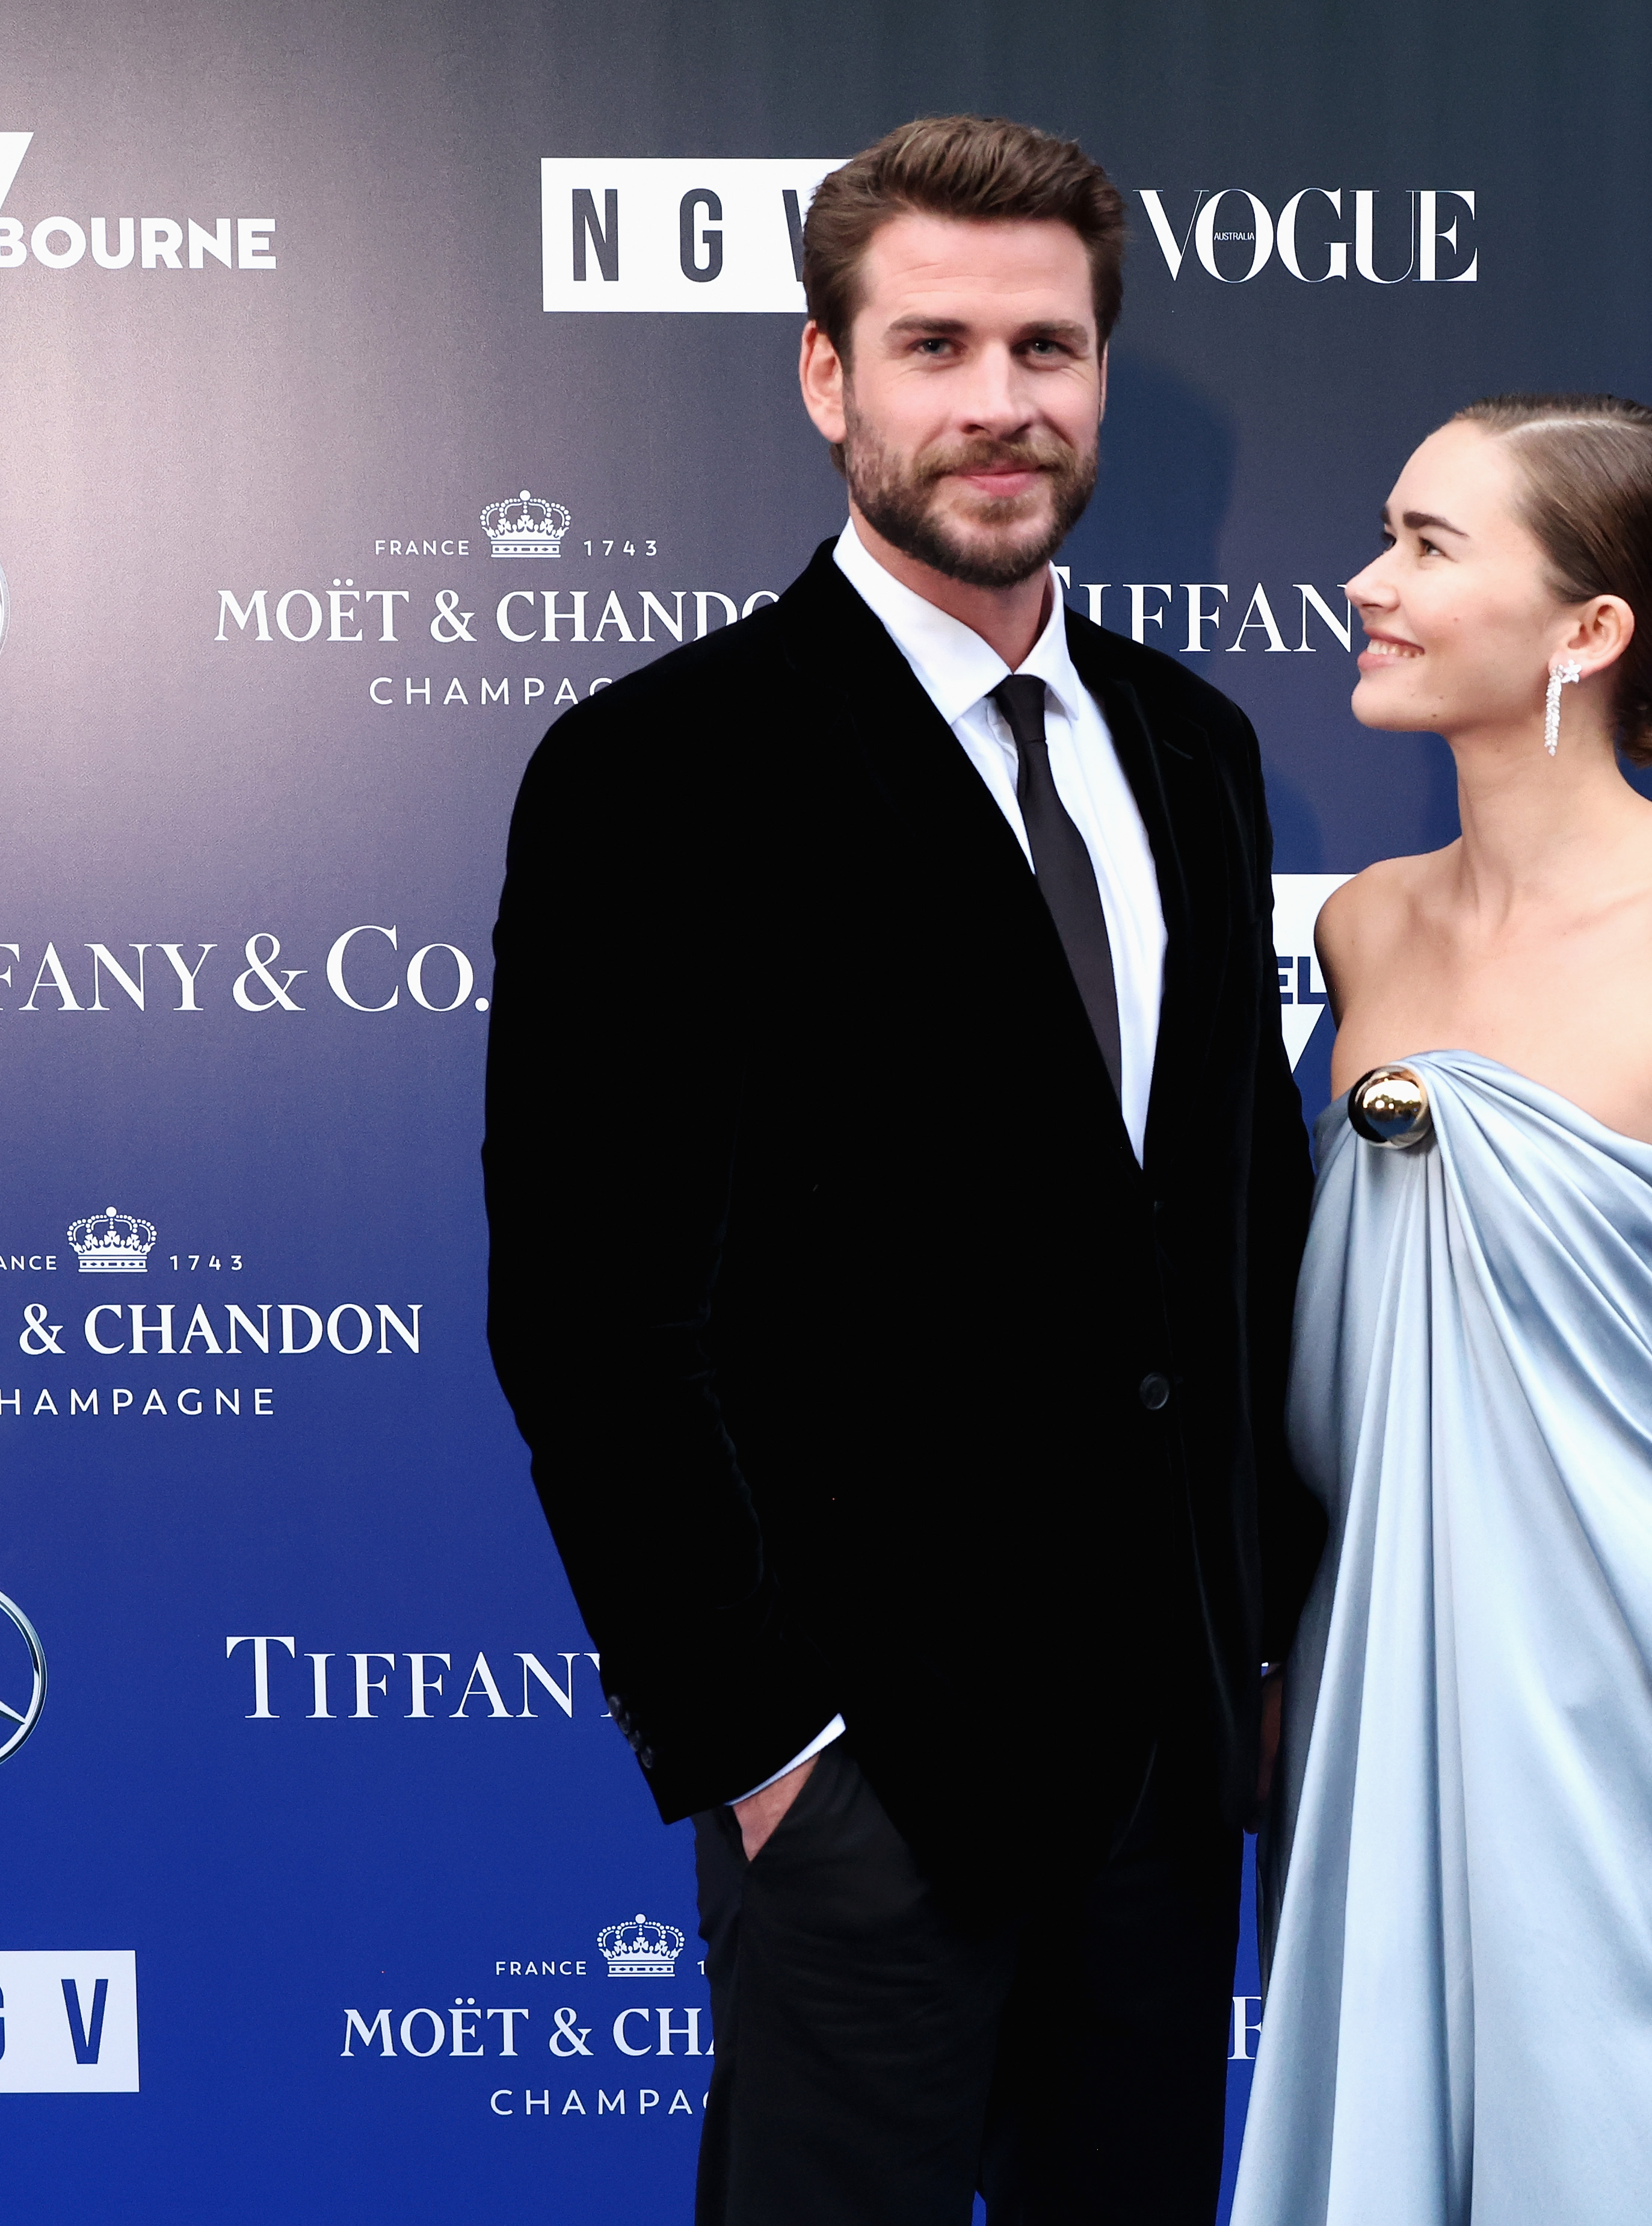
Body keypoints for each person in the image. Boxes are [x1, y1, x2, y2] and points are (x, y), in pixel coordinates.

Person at [481, 115, 1321, 2226]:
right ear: (825, 378)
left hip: (1164, 1765)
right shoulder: (660, 767)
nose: (999, 402)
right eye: (933, 343)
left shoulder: (1194, 749)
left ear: (1103, 377)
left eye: (1047, 346)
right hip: (873, 1774)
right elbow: (589, 1316)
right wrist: (767, 1748)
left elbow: (1240, 1232)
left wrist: (1272, 1659)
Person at [1233, 395, 1652, 2226]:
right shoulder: (1359, 931)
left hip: (1638, 1727)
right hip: (1372, 1718)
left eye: (1429, 547)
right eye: (1386, 532)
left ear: (1589, 630)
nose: (1366, 584)